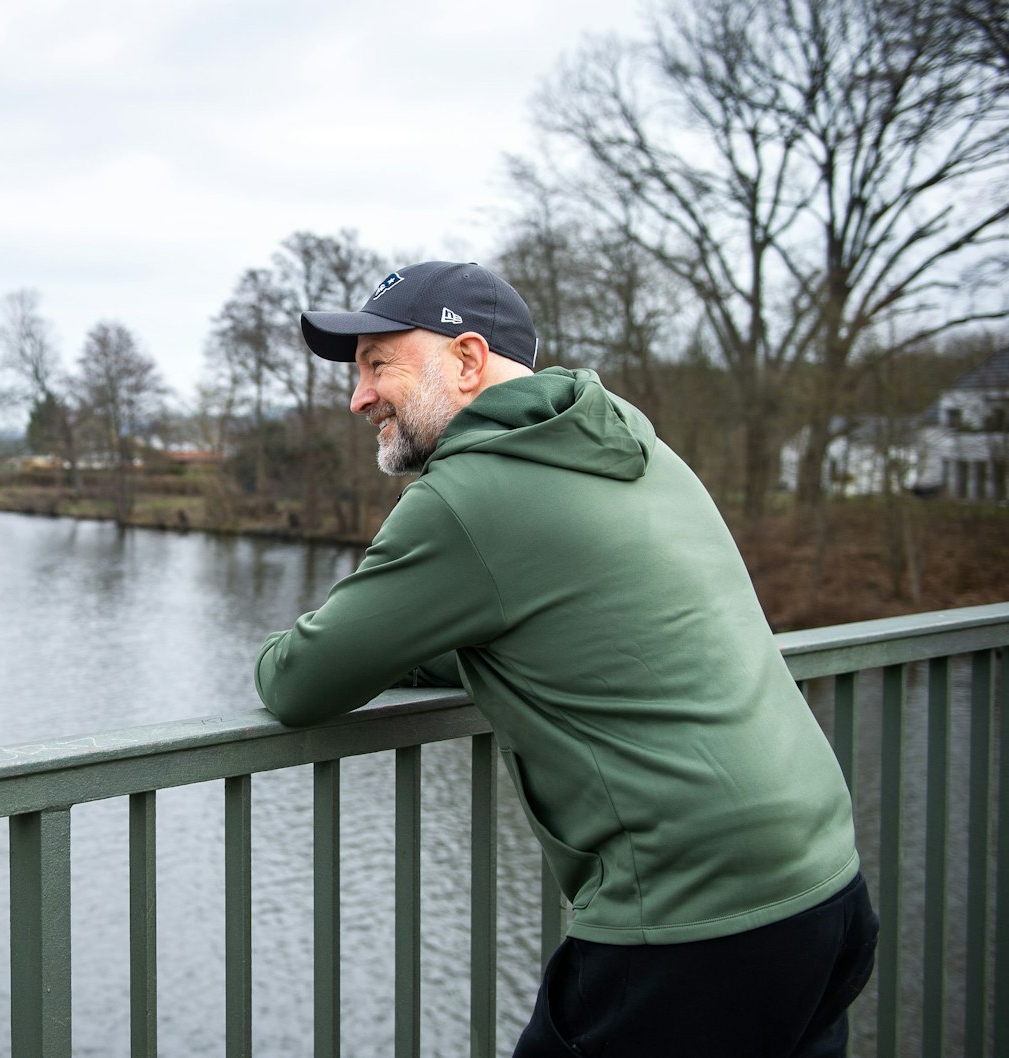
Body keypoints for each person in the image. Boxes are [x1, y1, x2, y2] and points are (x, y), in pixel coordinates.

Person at [255, 261, 877, 1057]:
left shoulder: (465, 497)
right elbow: (567, 629)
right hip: (825, 887)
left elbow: (297, 679)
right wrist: (429, 651)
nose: (359, 397)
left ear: (469, 360)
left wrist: (327, 649)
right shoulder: (630, 444)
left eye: (379, 365)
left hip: (696, 921)